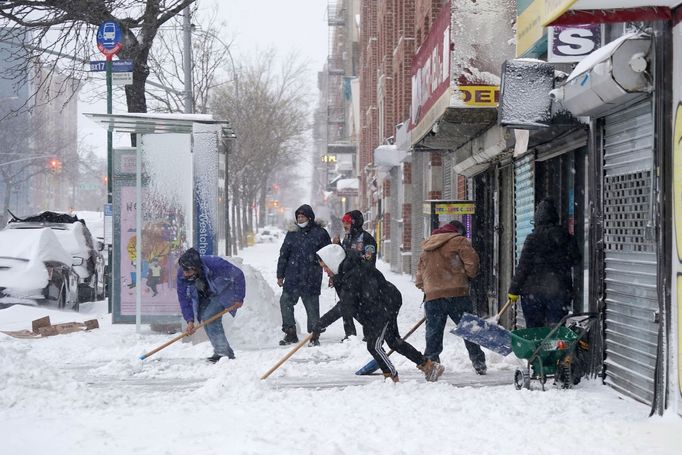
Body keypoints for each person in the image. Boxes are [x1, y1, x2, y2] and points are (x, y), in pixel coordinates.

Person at [312, 244, 445, 382]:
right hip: (380, 305)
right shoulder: (346, 272)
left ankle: (391, 377)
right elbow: (348, 303)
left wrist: (321, 323)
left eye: (325, 267)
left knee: (374, 345)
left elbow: (345, 305)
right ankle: (429, 366)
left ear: (333, 262)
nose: (325, 271)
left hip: (384, 305)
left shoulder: (353, 274)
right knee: (393, 342)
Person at [416, 220, 487, 375]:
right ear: (458, 231)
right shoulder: (459, 241)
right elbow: (472, 264)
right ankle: (478, 361)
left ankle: (431, 364)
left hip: (433, 297)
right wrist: (465, 277)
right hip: (457, 294)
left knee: (433, 333)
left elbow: (419, 277)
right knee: (468, 328)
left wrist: (431, 288)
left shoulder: (427, 246)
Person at [508, 197, 581, 328]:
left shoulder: (532, 239)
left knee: (535, 330)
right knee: (556, 330)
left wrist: (513, 290)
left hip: (533, 294)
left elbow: (523, 267)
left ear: (537, 220)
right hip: (559, 292)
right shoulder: (566, 237)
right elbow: (576, 259)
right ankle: (555, 348)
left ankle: (538, 348)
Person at [176, 247, 245, 363]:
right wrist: (190, 320)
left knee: (210, 317)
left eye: (188, 271)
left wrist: (239, 297)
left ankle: (222, 352)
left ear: (196, 267)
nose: (185, 274)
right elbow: (183, 298)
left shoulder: (215, 264)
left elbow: (238, 275)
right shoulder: (183, 274)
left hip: (225, 291)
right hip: (206, 294)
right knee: (206, 318)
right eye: (183, 270)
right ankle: (224, 352)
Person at [277, 204, 332, 346]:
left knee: (312, 308)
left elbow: (328, 254)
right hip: (293, 277)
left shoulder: (320, 233)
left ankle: (314, 336)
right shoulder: (292, 233)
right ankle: (290, 333)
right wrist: (280, 275)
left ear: (310, 217)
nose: (300, 219)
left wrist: (331, 273)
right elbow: (284, 255)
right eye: (298, 217)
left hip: (311, 277)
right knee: (285, 302)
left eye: (302, 216)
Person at [337, 210, 377, 340]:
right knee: (346, 307)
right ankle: (350, 334)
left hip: (364, 280)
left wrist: (355, 256)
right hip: (348, 280)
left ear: (355, 223)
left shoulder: (366, 238)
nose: (345, 225)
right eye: (343, 222)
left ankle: (370, 333)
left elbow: (369, 259)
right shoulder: (347, 238)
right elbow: (343, 257)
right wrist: (337, 245)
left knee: (365, 308)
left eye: (347, 222)